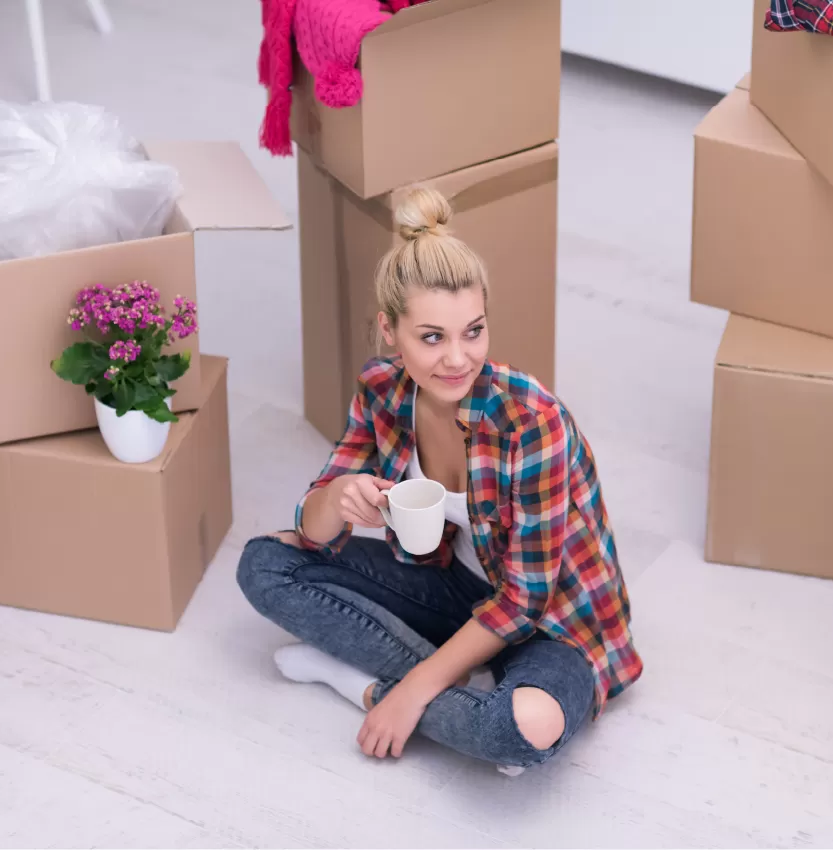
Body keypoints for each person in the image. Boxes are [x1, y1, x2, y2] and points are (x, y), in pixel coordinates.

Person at [237, 187, 642, 774]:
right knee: (264, 565)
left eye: (472, 332)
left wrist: (408, 691)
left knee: (522, 729)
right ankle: (459, 682)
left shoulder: (532, 422)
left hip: (551, 624)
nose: (457, 359)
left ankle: (364, 685)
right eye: (432, 337)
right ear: (389, 330)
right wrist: (339, 497)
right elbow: (313, 529)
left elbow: (526, 600)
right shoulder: (381, 390)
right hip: (453, 591)